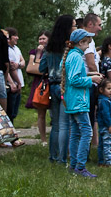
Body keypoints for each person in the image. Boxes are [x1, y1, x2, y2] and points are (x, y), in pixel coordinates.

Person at [62, 28, 103, 177]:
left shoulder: (71, 55)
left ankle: (74, 165)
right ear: (81, 42)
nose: (89, 45)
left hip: (72, 99)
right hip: (79, 100)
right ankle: (80, 166)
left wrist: (90, 74)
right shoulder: (77, 57)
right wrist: (92, 79)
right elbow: (74, 80)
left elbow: (73, 74)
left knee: (75, 132)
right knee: (87, 132)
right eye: (87, 42)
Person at [41, 14, 76, 164]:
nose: (75, 28)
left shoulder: (49, 48)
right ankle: (62, 157)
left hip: (52, 86)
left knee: (55, 125)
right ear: (68, 28)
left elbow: (42, 67)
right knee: (64, 124)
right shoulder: (69, 47)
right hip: (64, 87)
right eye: (74, 25)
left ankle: (53, 156)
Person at [24, 30, 50, 145]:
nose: (41, 41)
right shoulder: (34, 52)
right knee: (41, 112)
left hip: (50, 82)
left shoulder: (52, 51)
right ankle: (43, 139)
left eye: (44, 38)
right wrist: (39, 54)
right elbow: (31, 68)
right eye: (40, 39)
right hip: (40, 83)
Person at [81, 13, 103, 150]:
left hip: (88, 81)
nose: (100, 28)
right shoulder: (87, 40)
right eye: (99, 25)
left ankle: (86, 148)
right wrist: (98, 77)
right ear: (90, 24)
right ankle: (84, 151)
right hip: (88, 82)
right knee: (87, 118)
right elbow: (91, 63)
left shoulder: (90, 40)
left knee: (89, 117)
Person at [96, 79, 111, 167]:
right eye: (108, 89)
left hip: (102, 126)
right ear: (101, 90)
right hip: (107, 126)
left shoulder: (102, 100)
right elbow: (106, 114)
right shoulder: (105, 101)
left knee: (101, 144)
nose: (110, 91)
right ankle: (108, 162)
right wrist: (110, 125)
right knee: (107, 144)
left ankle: (101, 161)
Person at [4, 27, 25, 123]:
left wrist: (19, 64)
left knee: (15, 111)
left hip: (18, 83)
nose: (17, 38)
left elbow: (23, 62)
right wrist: (14, 83)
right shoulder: (7, 50)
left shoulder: (16, 49)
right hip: (12, 84)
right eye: (15, 36)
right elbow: (10, 69)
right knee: (10, 111)